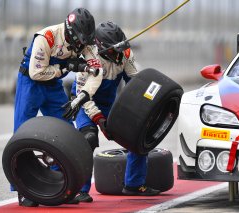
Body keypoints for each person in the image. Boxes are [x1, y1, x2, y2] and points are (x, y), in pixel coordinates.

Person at [63, 21, 160, 203]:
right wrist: (100, 120)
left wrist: (143, 108)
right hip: (85, 101)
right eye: (113, 50)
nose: (118, 53)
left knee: (136, 134)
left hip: (109, 102)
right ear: (100, 47)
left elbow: (135, 80)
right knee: (88, 140)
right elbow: (84, 97)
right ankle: (79, 190)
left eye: (120, 49)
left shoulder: (125, 53)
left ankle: (133, 185)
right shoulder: (87, 59)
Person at [13, 8, 100, 207]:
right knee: (21, 134)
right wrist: (66, 67)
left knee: (67, 132)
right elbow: (36, 73)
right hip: (31, 83)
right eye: (79, 40)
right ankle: (23, 189)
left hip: (53, 87)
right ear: (69, 31)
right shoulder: (47, 37)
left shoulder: (85, 42)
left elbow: (97, 71)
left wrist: (83, 95)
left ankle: (62, 183)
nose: (82, 45)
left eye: (85, 41)